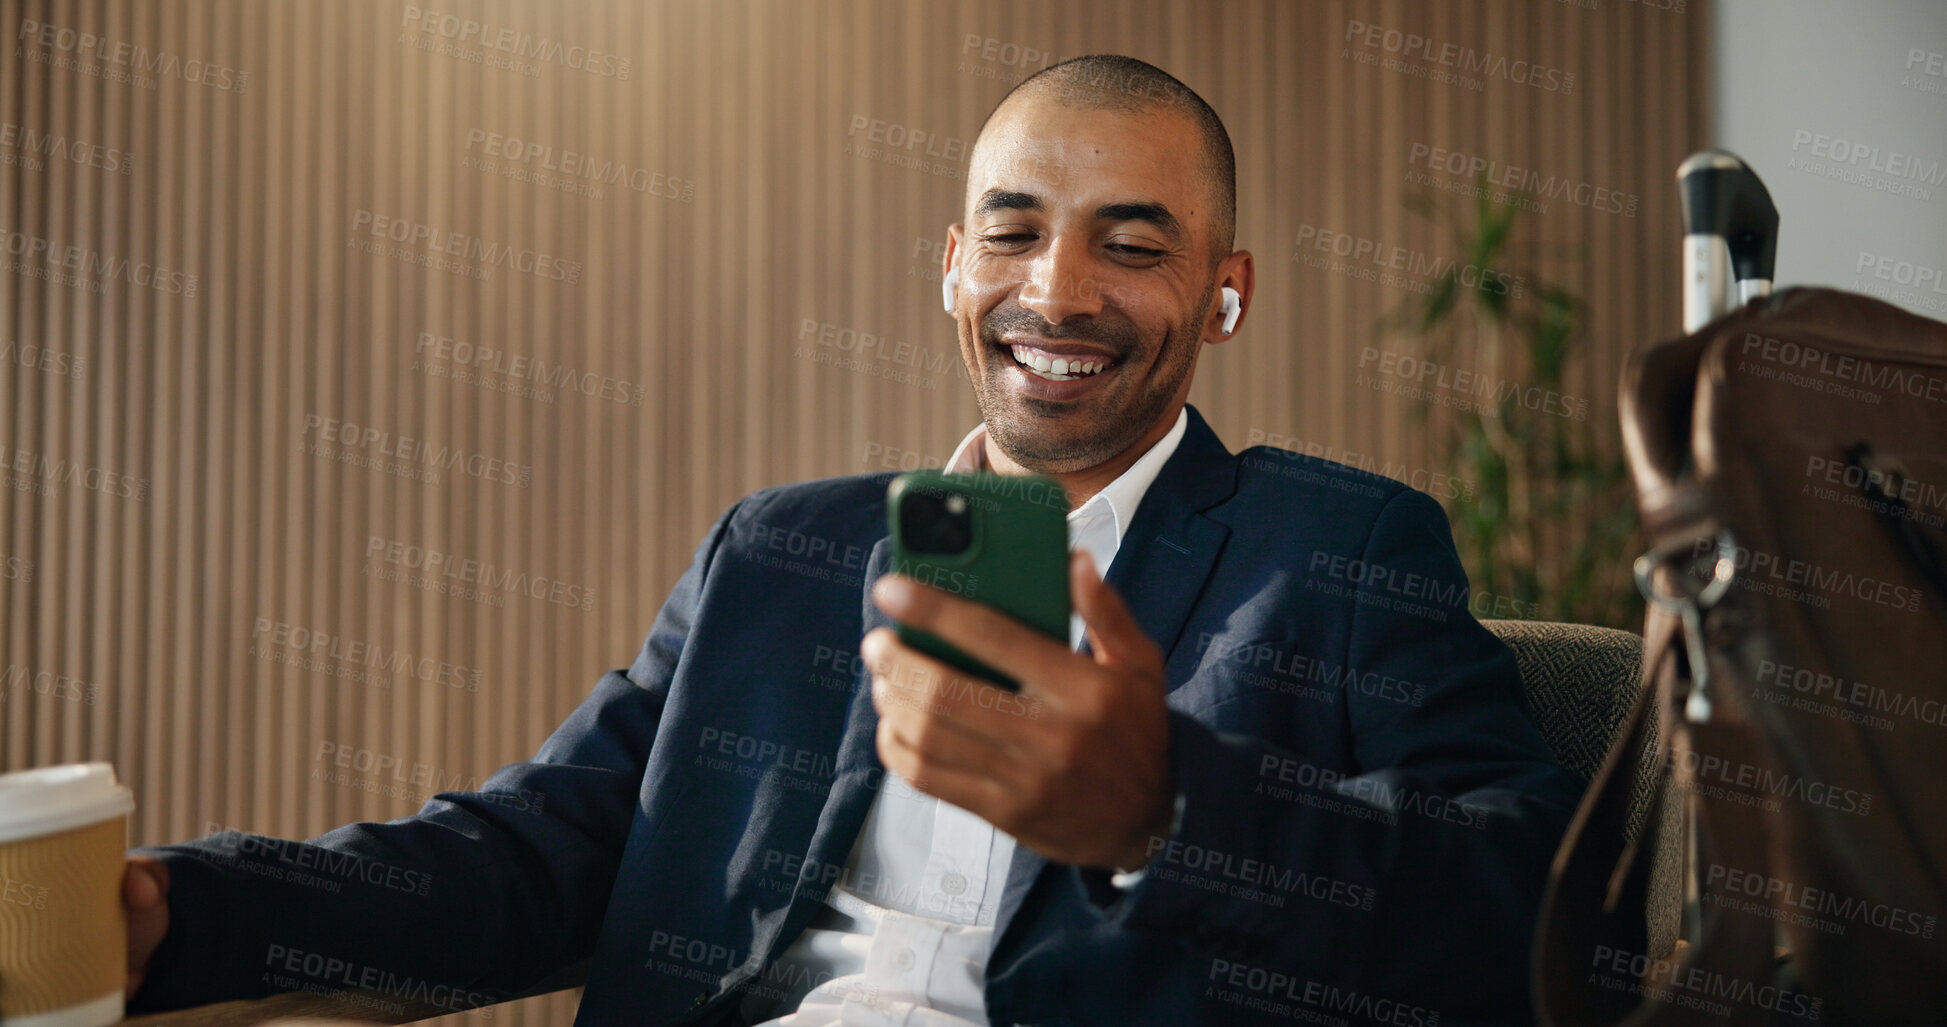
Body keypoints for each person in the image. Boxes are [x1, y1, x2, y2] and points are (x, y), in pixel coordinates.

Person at [123, 55, 1583, 1026]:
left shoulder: (1340, 544)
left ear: (1226, 293)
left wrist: (1171, 811)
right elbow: (538, 850)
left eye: (1133, 246)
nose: (1056, 292)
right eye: (1011, 233)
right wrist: (179, 911)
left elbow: (1521, 906)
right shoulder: (779, 552)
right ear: (952, 265)